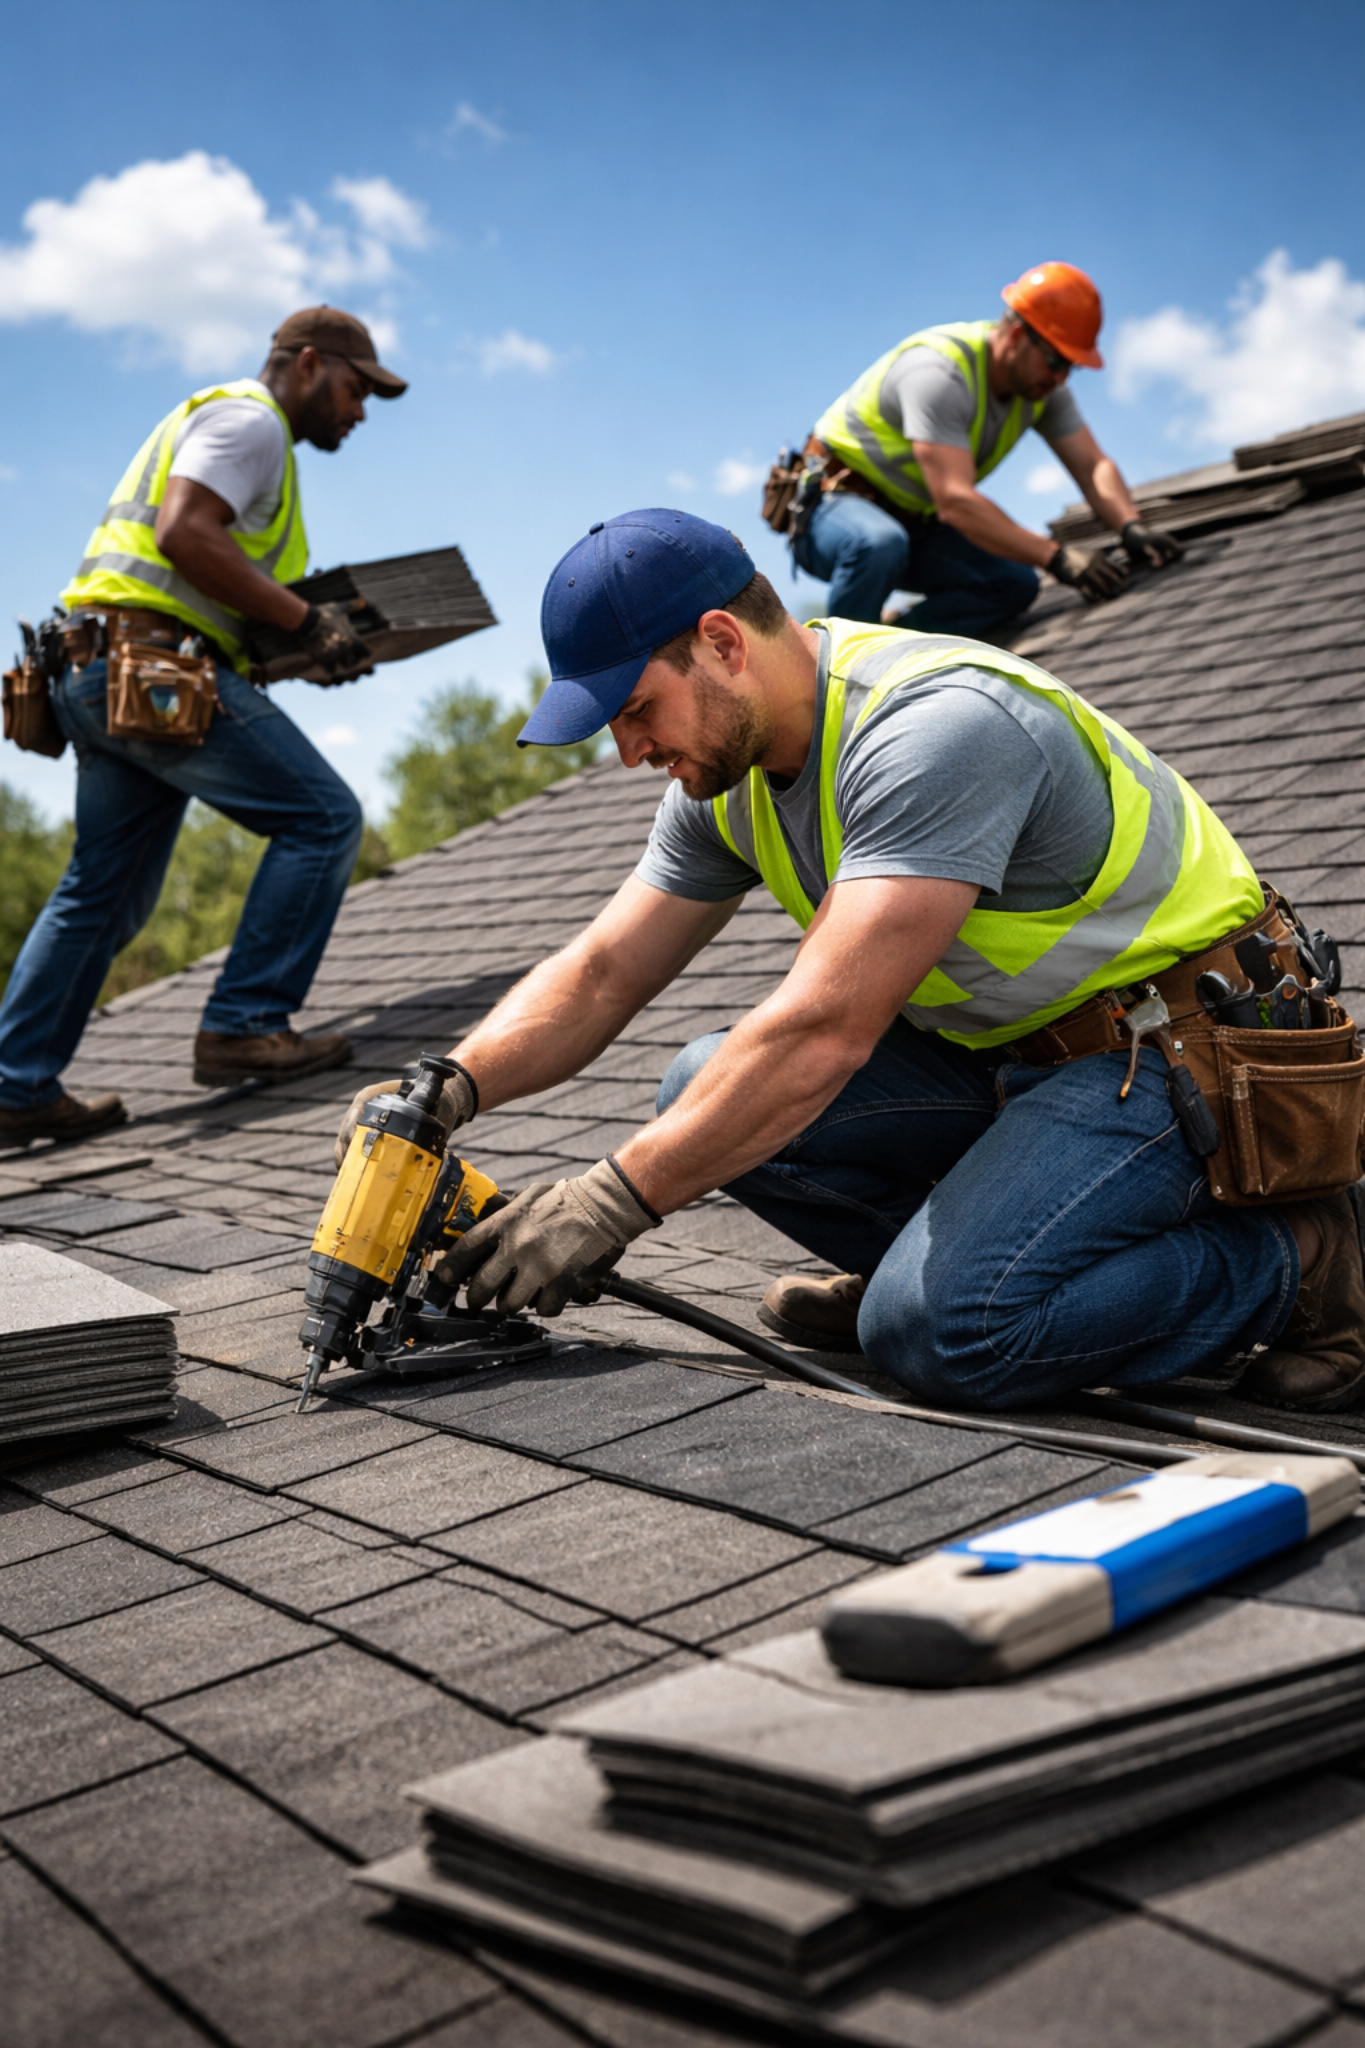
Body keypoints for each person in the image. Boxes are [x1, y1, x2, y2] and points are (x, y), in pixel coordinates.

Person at [337, 509, 1364, 1417]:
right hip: (1029, 1059)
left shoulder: (932, 728)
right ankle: (917, 1274)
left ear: (723, 643)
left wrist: (611, 1198)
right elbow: (606, 968)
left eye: (636, 709)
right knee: (700, 1086)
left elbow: (826, 1029)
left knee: (944, 1336)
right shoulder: (727, 780)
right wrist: (447, 1087)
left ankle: (1301, 1263)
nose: (629, 751)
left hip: (1184, 1054)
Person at [0, 307, 406, 1145]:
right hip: (152, 675)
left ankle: (15, 1085)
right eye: (357, 388)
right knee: (323, 818)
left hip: (105, 672)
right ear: (306, 363)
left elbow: (197, 572)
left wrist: (296, 642)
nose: (361, 410)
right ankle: (245, 1021)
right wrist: (304, 623)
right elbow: (183, 531)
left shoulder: (233, 427)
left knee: (100, 890)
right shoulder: (250, 421)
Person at [786, 262, 1184, 637]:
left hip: (913, 523)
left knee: (1012, 584)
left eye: (1070, 367)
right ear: (1015, 336)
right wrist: (1058, 558)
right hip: (831, 507)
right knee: (877, 544)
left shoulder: (1044, 391)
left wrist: (1129, 525)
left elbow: (1092, 465)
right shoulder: (939, 373)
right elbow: (955, 502)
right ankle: (837, 674)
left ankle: (894, 653)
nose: (1061, 378)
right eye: (1054, 361)